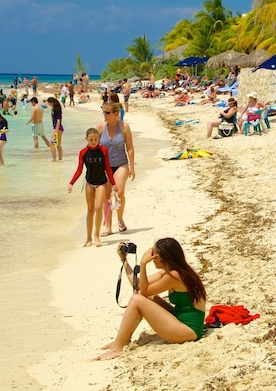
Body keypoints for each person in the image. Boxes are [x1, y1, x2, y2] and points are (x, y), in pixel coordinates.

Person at [96, 237, 207, 361]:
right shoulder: (173, 272)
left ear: (160, 258)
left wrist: (143, 264)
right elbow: (138, 285)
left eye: (153, 254)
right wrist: (124, 260)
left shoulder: (174, 276)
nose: (151, 257)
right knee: (143, 296)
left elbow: (143, 290)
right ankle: (122, 340)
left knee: (137, 299)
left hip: (189, 330)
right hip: (183, 320)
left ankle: (118, 347)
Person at [68, 128, 116, 247]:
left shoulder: (103, 150)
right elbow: (79, 169)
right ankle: (89, 238)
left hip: (101, 183)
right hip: (89, 183)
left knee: (99, 207)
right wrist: (71, 183)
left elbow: (108, 168)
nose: (93, 142)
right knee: (90, 210)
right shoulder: (83, 152)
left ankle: (96, 236)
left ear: (99, 139)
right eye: (91, 140)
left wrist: (113, 183)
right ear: (86, 139)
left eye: (95, 139)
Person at [99, 101, 135, 234]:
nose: (104, 115)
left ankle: (120, 219)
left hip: (121, 164)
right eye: (103, 112)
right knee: (106, 196)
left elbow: (130, 148)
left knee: (119, 192)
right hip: (105, 166)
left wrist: (132, 166)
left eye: (107, 113)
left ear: (115, 113)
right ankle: (108, 226)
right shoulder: (100, 128)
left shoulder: (124, 127)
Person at [47, 97, 64, 161]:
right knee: (58, 145)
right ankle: (60, 160)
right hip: (59, 128)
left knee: (51, 143)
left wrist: (55, 131)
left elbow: (58, 121)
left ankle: (54, 159)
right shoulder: (55, 108)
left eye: (49, 103)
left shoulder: (56, 110)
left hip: (58, 128)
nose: (48, 105)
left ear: (51, 103)